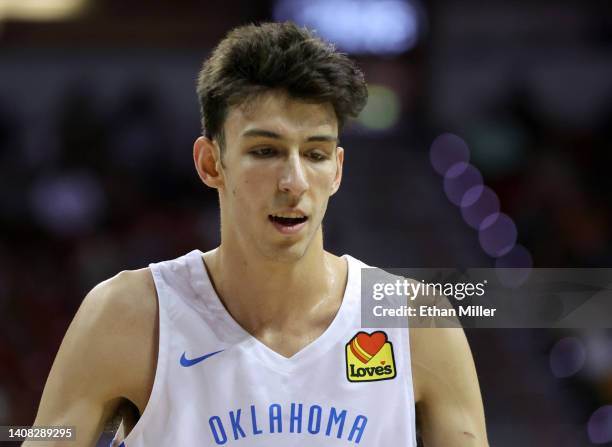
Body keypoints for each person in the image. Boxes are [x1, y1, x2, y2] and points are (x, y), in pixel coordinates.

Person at [29, 22, 488, 446]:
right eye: (265, 150)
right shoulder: (127, 315)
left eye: (315, 154)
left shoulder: (416, 321)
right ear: (211, 163)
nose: (293, 181)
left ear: (337, 171)